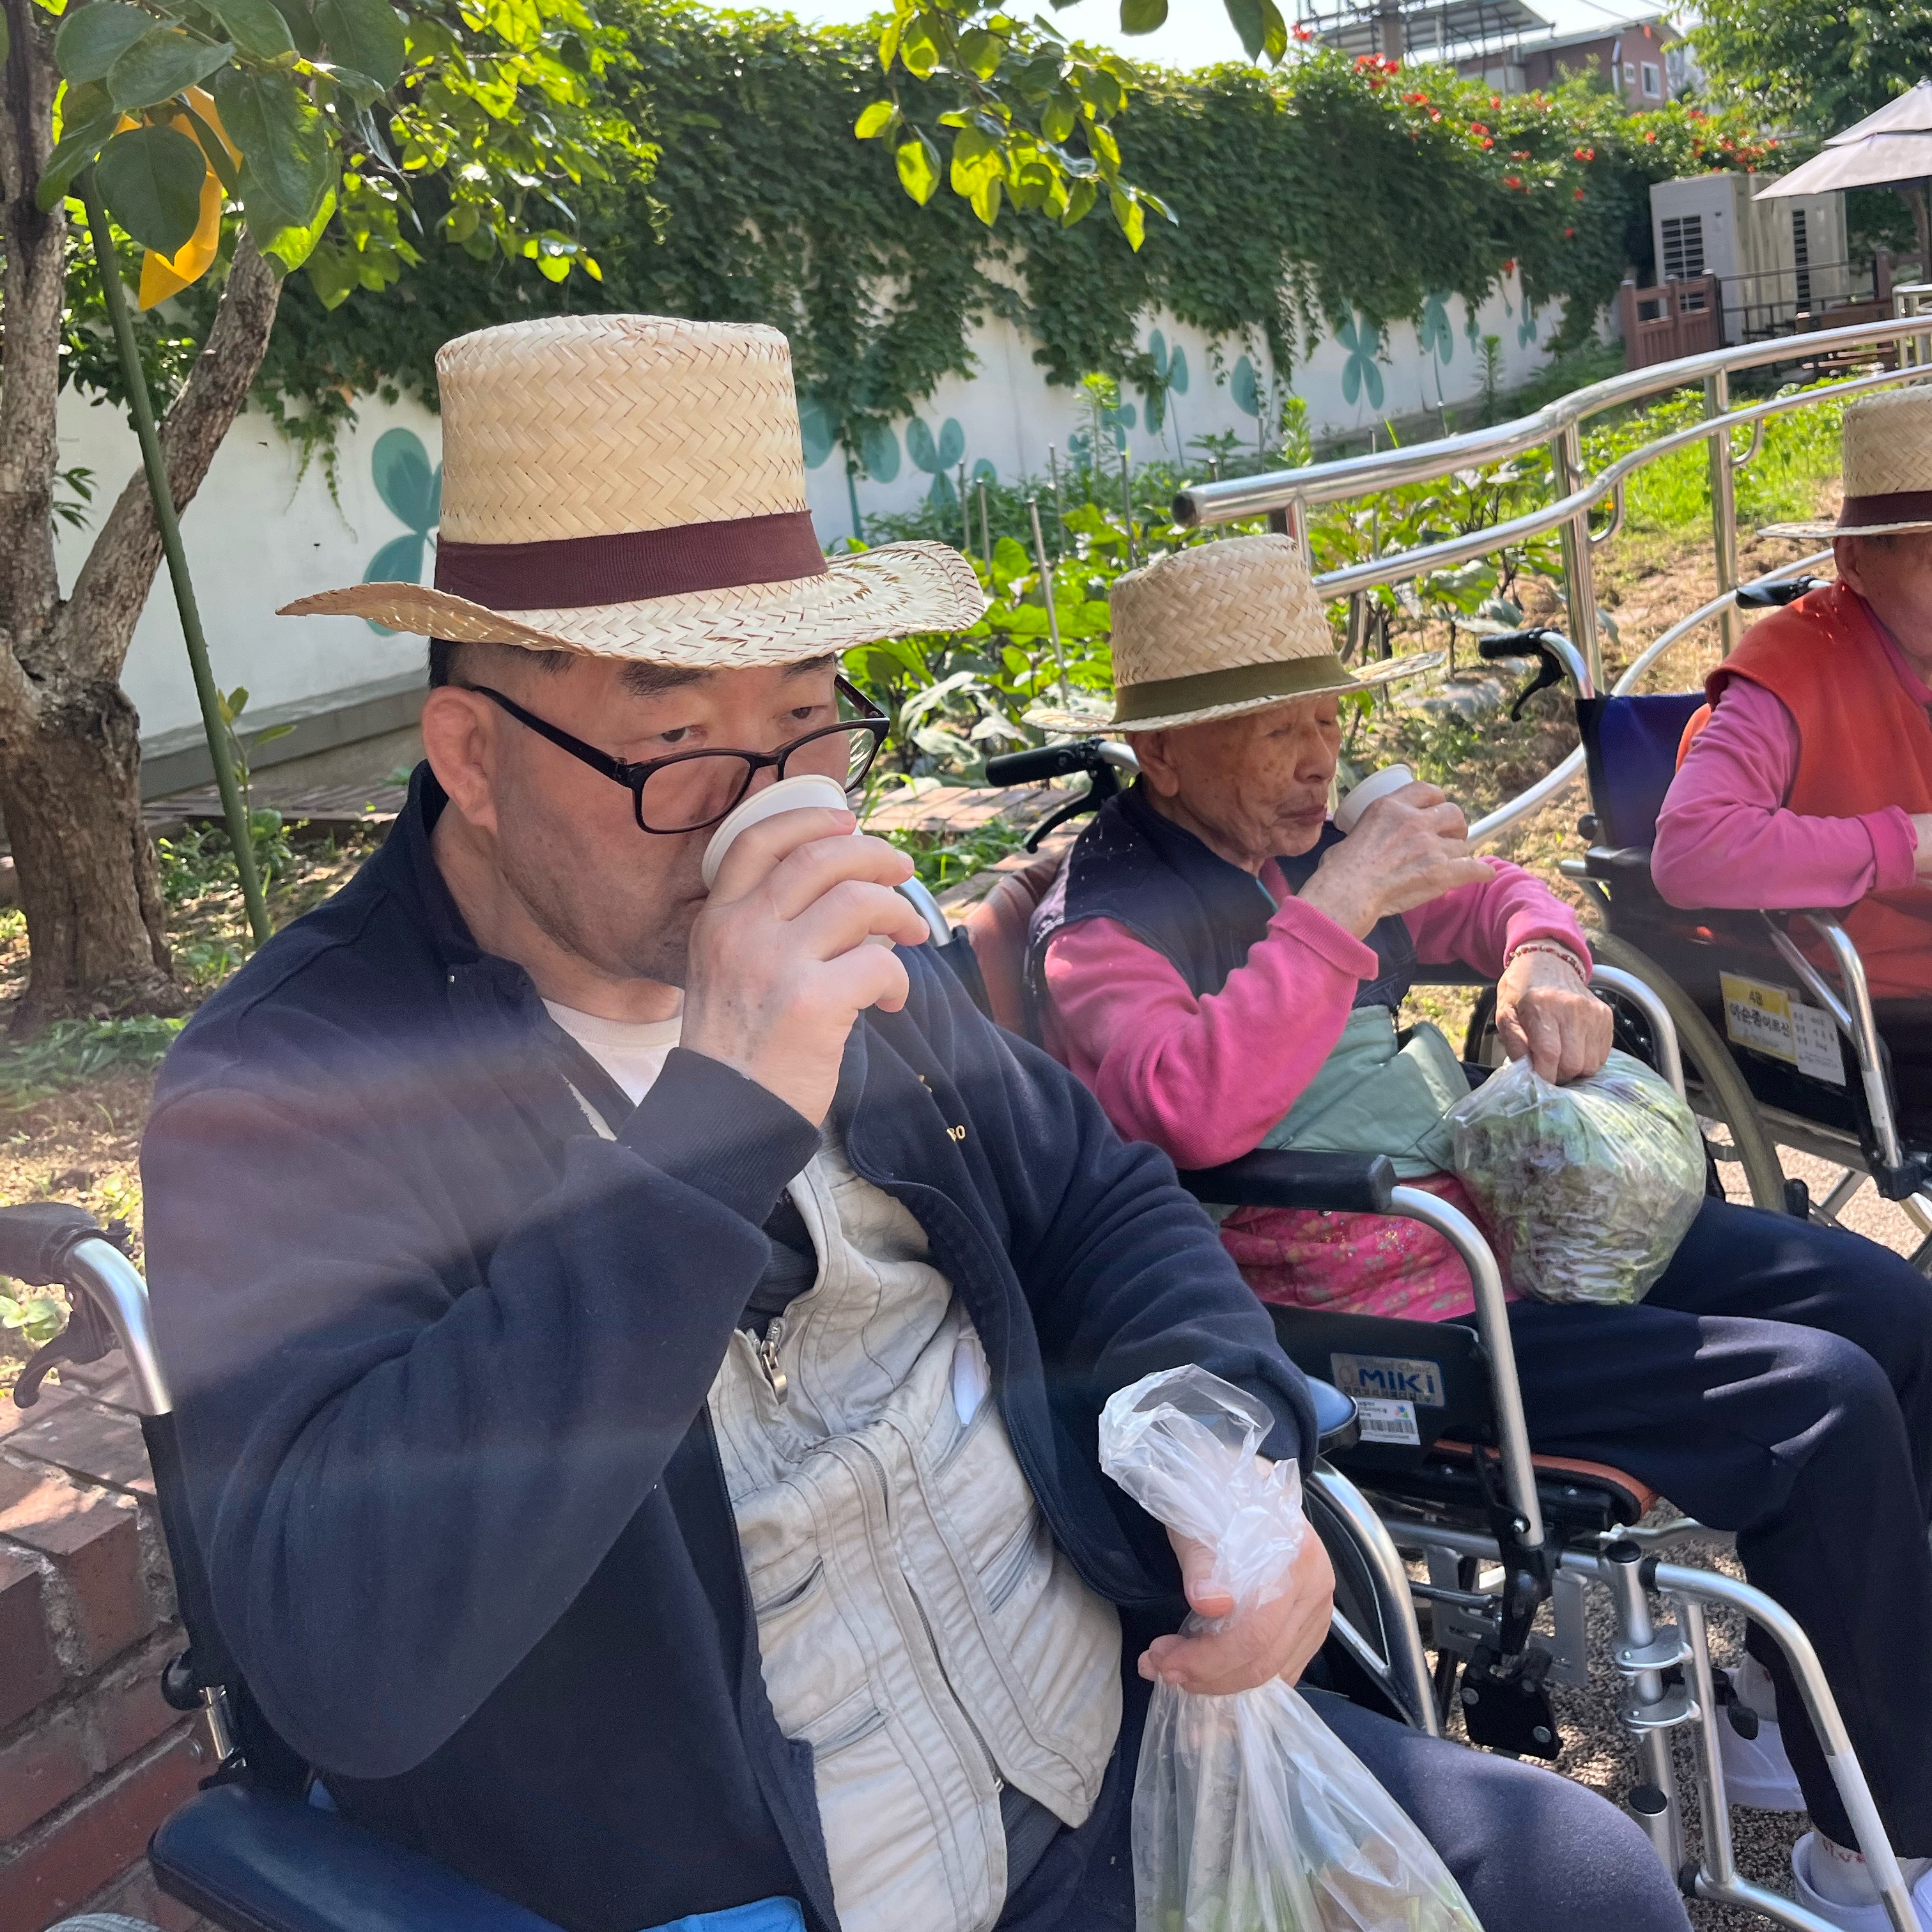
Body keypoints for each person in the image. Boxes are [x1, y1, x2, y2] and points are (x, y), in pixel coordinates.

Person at [138, 317, 1687, 1932]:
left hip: (1117, 1748)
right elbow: (345, 1656)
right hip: (774, 1875)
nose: (764, 811)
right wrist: (712, 1127)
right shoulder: (289, 1082)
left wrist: (1233, 1445)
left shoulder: (876, 963)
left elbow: (1101, 1197)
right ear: (471, 753)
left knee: (1583, 1884)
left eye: (807, 719)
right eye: (677, 736)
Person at [1030, 530, 1932, 1932]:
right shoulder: (1102, 923)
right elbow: (1183, 1104)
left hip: (1493, 1233)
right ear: (1161, 754)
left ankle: (1809, 1698)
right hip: (1373, 1320)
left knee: (1886, 1308)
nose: (1318, 761)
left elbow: (1507, 891)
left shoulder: (1307, 844)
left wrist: (1539, 957)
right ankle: (1873, 1853)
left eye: (1326, 720)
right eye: (1276, 731)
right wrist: (1341, 902)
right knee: (1813, 1402)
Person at [1651, 386, 1932, 1140]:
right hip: (1868, 1005)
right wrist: (1905, 840)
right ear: (1853, 561)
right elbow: (1689, 850)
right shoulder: (1792, 670)